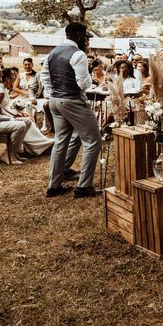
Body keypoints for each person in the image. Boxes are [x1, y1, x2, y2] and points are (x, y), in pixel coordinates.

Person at [41, 22, 102, 198]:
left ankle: (54, 186)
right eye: (86, 37)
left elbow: (46, 78)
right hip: (73, 101)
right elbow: (83, 83)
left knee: (60, 141)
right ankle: (84, 187)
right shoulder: (78, 54)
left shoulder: (52, 53)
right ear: (79, 36)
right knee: (93, 141)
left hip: (55, 100)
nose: (87, 41)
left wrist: (53, 93)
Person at [0, 61, 32, 164]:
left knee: (27, 122)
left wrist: (13, 116)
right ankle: (11, 157)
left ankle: (10, 153)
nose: (2, 74)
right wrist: (11, 119)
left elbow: (0, 110)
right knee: (20, 125)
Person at [0, 68, 54, 156]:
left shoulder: (3, 88)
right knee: (27, 121)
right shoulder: (0, 90)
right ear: (7, 78)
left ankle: (42, 144)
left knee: (29, 119)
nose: (14, 76)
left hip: (8, 115)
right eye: (12, 75)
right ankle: (41, 146)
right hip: (2, 118)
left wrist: (18, 113)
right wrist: (14, 116)